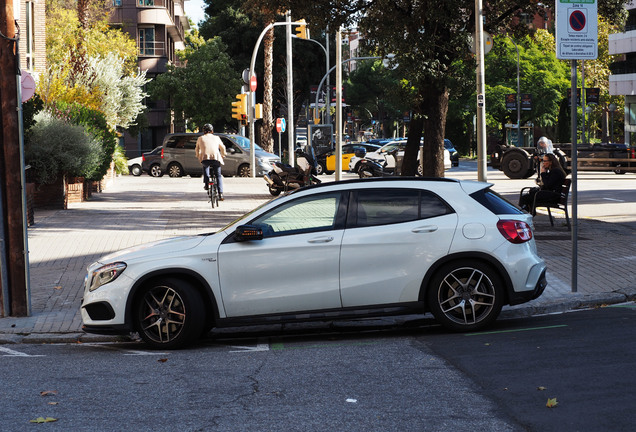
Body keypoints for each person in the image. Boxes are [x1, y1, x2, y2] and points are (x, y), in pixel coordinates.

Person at [195, 124, 226, 200]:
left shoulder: (200, 138)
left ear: (204, 131)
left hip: (205, 158)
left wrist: (198, 156)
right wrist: (223, 155)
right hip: (216, 157)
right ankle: (220, 194)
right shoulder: (216, 138)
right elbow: (223, 148)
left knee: (205, 168)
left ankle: (206, 184)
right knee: (218, 175)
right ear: (212, 131)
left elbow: (197, 149)